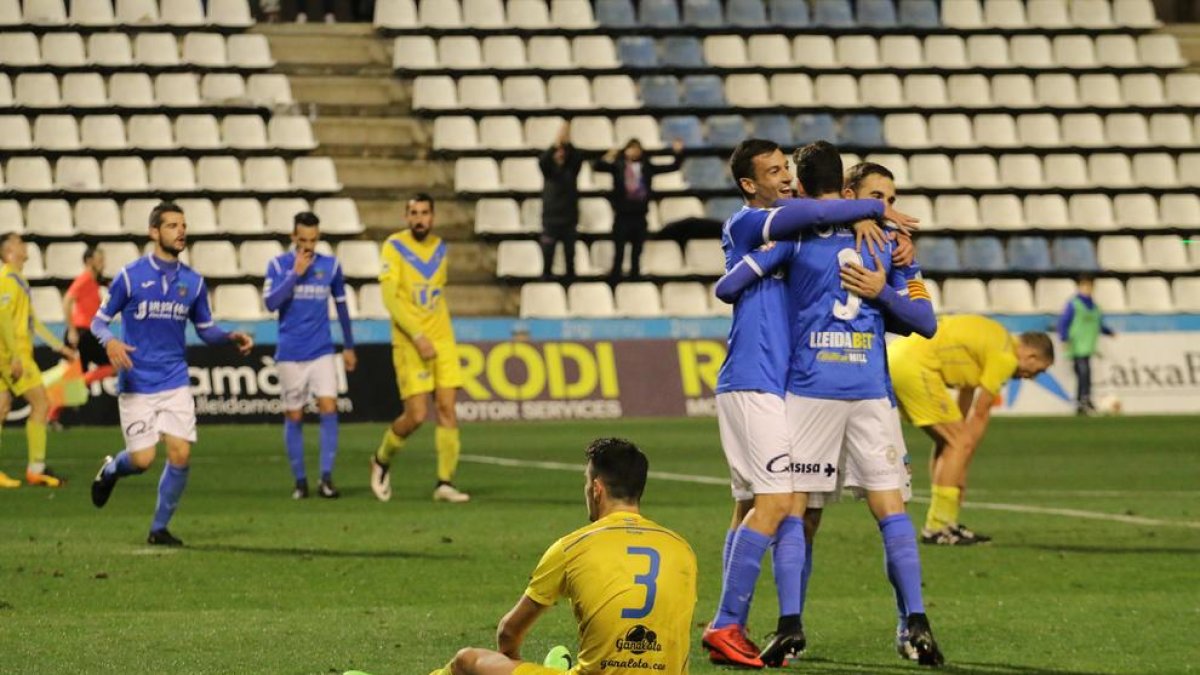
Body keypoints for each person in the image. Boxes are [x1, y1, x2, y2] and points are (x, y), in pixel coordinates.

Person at [714, 142, 942, 666]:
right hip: (867, 390)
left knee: (786, 508)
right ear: (848, 193)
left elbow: (731, 284)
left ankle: (787, 624)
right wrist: (886, 279)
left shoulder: (793, 238)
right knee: (890, 511)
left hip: (808, 388)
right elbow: (925, 323)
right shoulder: (889, 246)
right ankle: (915, 623)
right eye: (875, 197)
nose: (883, 205)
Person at [427, 438, 697, 675]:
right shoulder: (682, 550)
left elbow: (508, 634)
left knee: (467, 660)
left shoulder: (573, 547)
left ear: (597, 489)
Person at [89, 201, 254, 546]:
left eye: (183, 225)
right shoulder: (130, 276)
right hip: (137, 381)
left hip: (174, 379)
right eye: (172, 225)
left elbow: (205, 328)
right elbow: (98, 321)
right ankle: (111, 470)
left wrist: (228, 336)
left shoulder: (193, 283)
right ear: (154, 232)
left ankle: (159, 528)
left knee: (180, 453)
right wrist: (110, 343)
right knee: (143, 460)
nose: (181, 231)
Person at [888, 316, 1054, 545]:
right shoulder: (1005, 357)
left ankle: (945, 524)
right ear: (1031, 355)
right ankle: (938, 527)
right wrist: (962, 463)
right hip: (915, 367)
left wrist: (957, 455)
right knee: (959, 443)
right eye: (1039, 370)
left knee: (950, 442)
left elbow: (965, 398)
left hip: (898, 358)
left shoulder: (994, 340)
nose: (1032, 377)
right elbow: (981, 412)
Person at [371, 194, 469, 504]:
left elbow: (435, 295)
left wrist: (434, 335)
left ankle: (444, 482)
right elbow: (390, 299)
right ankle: (381, 459)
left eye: (425, 213)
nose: (419, 218)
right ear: (406, 216)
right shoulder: (394, 247)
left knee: (447, 408)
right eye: (414, 213)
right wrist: (417, 334)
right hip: (409, 340)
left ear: (433, 217)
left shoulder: (441, 249)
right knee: (415, 416)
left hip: (442, 337)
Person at [263, 211, 357, 500]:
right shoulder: (278, 265)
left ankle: (326, 478)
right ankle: (300, 481)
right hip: (290, 353)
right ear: (293, 237)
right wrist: (296, 274)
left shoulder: (331, 266)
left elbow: (341, 307)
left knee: (329, 406)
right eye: (302, 240)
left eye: (313, 240)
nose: (308, 246)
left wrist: (349, 346)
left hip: (322, 351)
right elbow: (270, 303)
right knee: (294, 414)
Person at [0, 234, 77, 488]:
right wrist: (14, 357)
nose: (25, 246)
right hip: (14, 356)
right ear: (10, 251)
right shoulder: (8, 280)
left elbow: (34, 323)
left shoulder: (18, 279)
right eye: (19, 243)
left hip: (9, 354)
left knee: (1, 408)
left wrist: (60, 347)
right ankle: (36, 468)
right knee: (41, 403)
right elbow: (4, 320)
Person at [591, 138, 683, 283]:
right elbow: (597, 166)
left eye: (637, 148)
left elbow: (672, 167)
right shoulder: (618, 166)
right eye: (631, 148)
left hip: (640, 215)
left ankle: (635, 278)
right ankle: (616, 279)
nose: (634, 151)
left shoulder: (647, 167)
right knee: (619, 251)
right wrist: (610, 155)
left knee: (637, 251)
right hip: (622, 215)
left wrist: (678, 153)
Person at [54, 245, 114, 426]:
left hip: (86, 333)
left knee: (74, 377)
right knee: (114, 364)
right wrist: (71, 329)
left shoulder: (94, 280)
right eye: (99, 259)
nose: (103, 263)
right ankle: (59, 405)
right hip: (82, 333)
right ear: (89, 261)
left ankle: (53, 415)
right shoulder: (85, 278)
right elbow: (67, 300)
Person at [1057, 275, 1115, 415]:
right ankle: (1084, 400)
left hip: (1088, 346)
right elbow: (1064, 322)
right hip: (1076, 345)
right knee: (1084, 373)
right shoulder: (1073, 304)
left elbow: (1098, 324)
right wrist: (1064, 339)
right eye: (1084, 286)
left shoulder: (1095, 307)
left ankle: (1082, 402)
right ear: (1079, 288)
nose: (1087, 289)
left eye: (1089, 287)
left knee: (1084, 374)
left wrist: (1109, 332)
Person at [538, 121, 583, 283]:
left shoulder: (572, 171)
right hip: (551, 220)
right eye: (557, 152)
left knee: (570, 254)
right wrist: (555, 144)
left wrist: (567, 142)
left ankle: (570, 281)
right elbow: (542, 161)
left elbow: (577, 158)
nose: (560, 154)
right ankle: (546, 278)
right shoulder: (548, 172)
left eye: (562, 152)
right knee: (548, 253)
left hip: (569, 220)